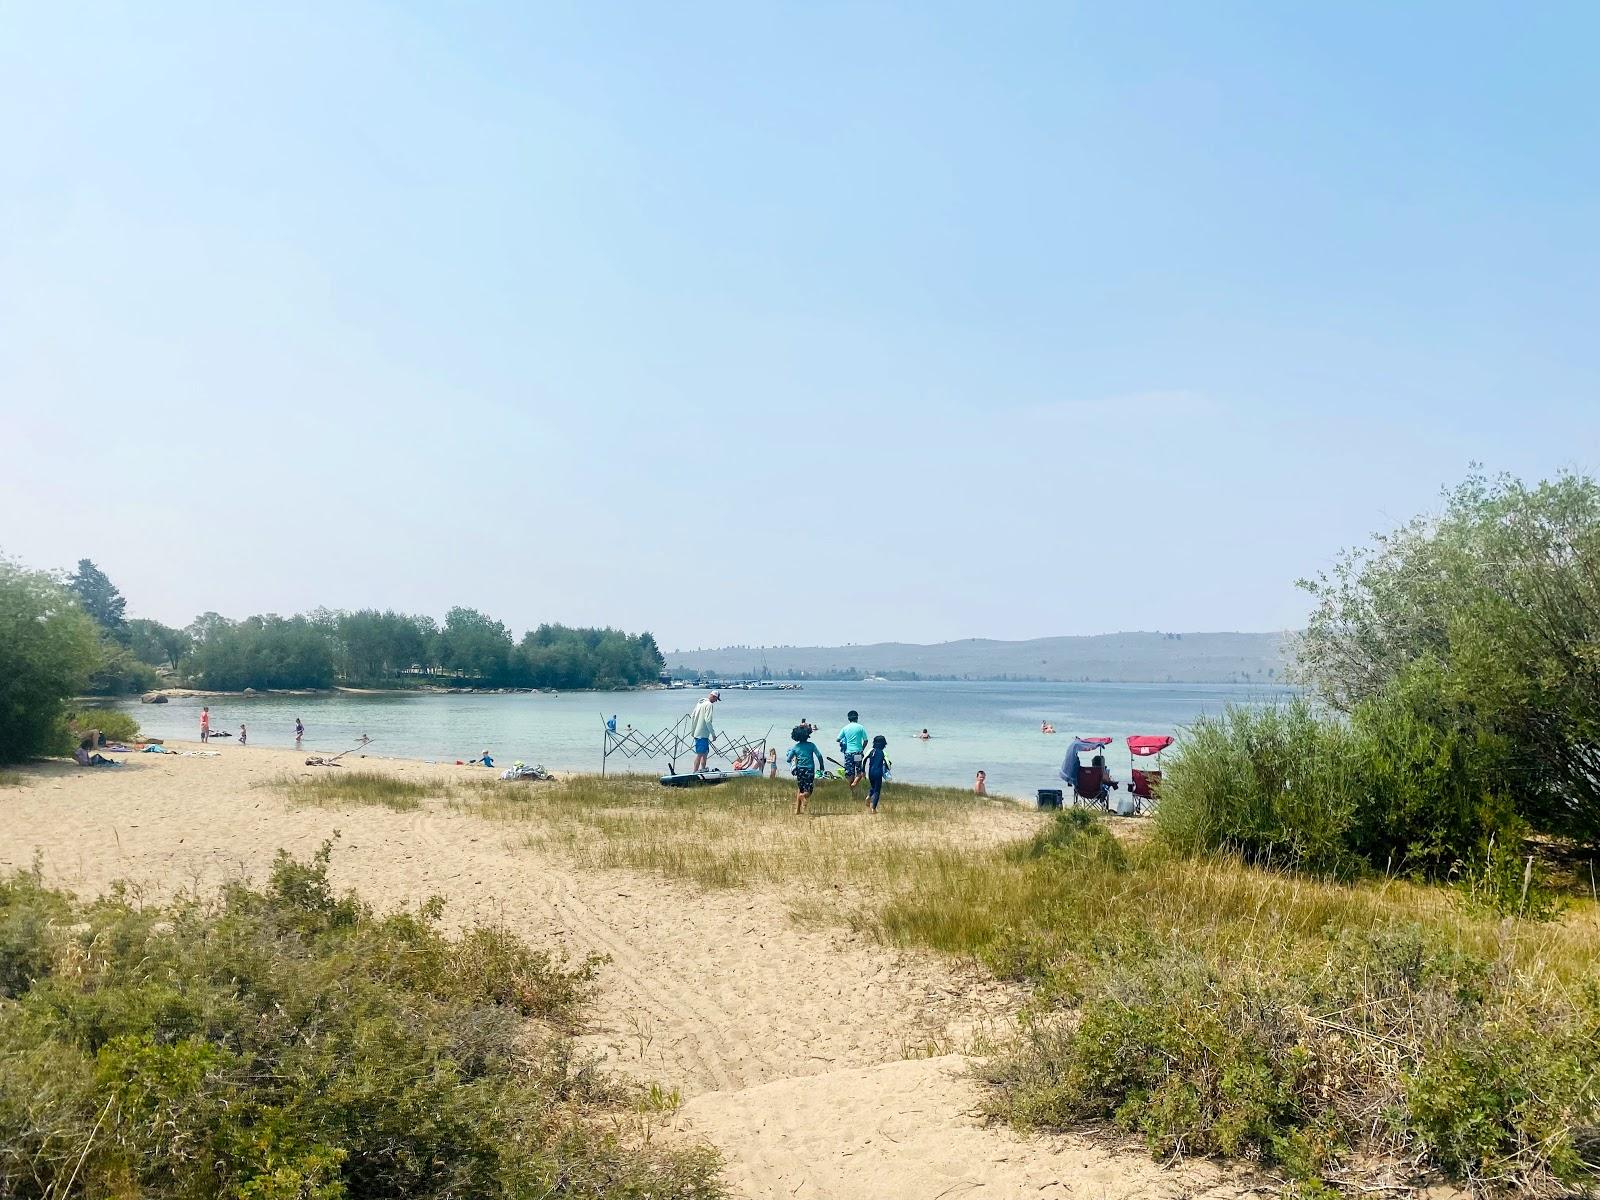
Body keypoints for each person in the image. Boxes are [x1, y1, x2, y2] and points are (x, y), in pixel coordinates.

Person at [786, 724, 825, 815]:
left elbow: (788, 759)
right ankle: (803, 796)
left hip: (799, 769)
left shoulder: (795, 747)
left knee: (800, 788)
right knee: (809, 790)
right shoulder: (811, 745)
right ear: (808, 735)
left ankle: (798, 810)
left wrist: (794, 758)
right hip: (809, 769)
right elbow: (819, 755)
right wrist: (822, 766)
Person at [837, 710, 869, 791]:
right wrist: (862, 749)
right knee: (859, 771)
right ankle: (855, 783)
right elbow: (866, 740)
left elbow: (838, 739)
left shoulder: (845, 728)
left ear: (848, 718)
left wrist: (845, 740)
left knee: (849, 773)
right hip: (858, 752)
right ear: (857, 718)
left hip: (848, 753)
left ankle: (852, 787)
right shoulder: (861, 727)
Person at [689, 691, 719, 772]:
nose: (716, 701)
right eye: (716, 699)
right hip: (702, 734)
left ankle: (703, 769)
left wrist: (693, 731)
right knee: (700, 754)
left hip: (698, 733)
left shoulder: (700, 703)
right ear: (714, 696)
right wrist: (713, 734)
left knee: (705, 753)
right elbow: (708, 720)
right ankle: (694, 772)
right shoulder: (709, 704)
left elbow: (692, 716)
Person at [864, 735, 890, 813]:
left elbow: (864, 760)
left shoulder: (870, 751)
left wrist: (862, 771)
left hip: (870, 772)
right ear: (883, 744)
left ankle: (868, 796)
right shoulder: (883, 753)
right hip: (878, 773)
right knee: (877, 791)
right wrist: (888, 768)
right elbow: (888, 764)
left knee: (873, 786)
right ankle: (873, 809)